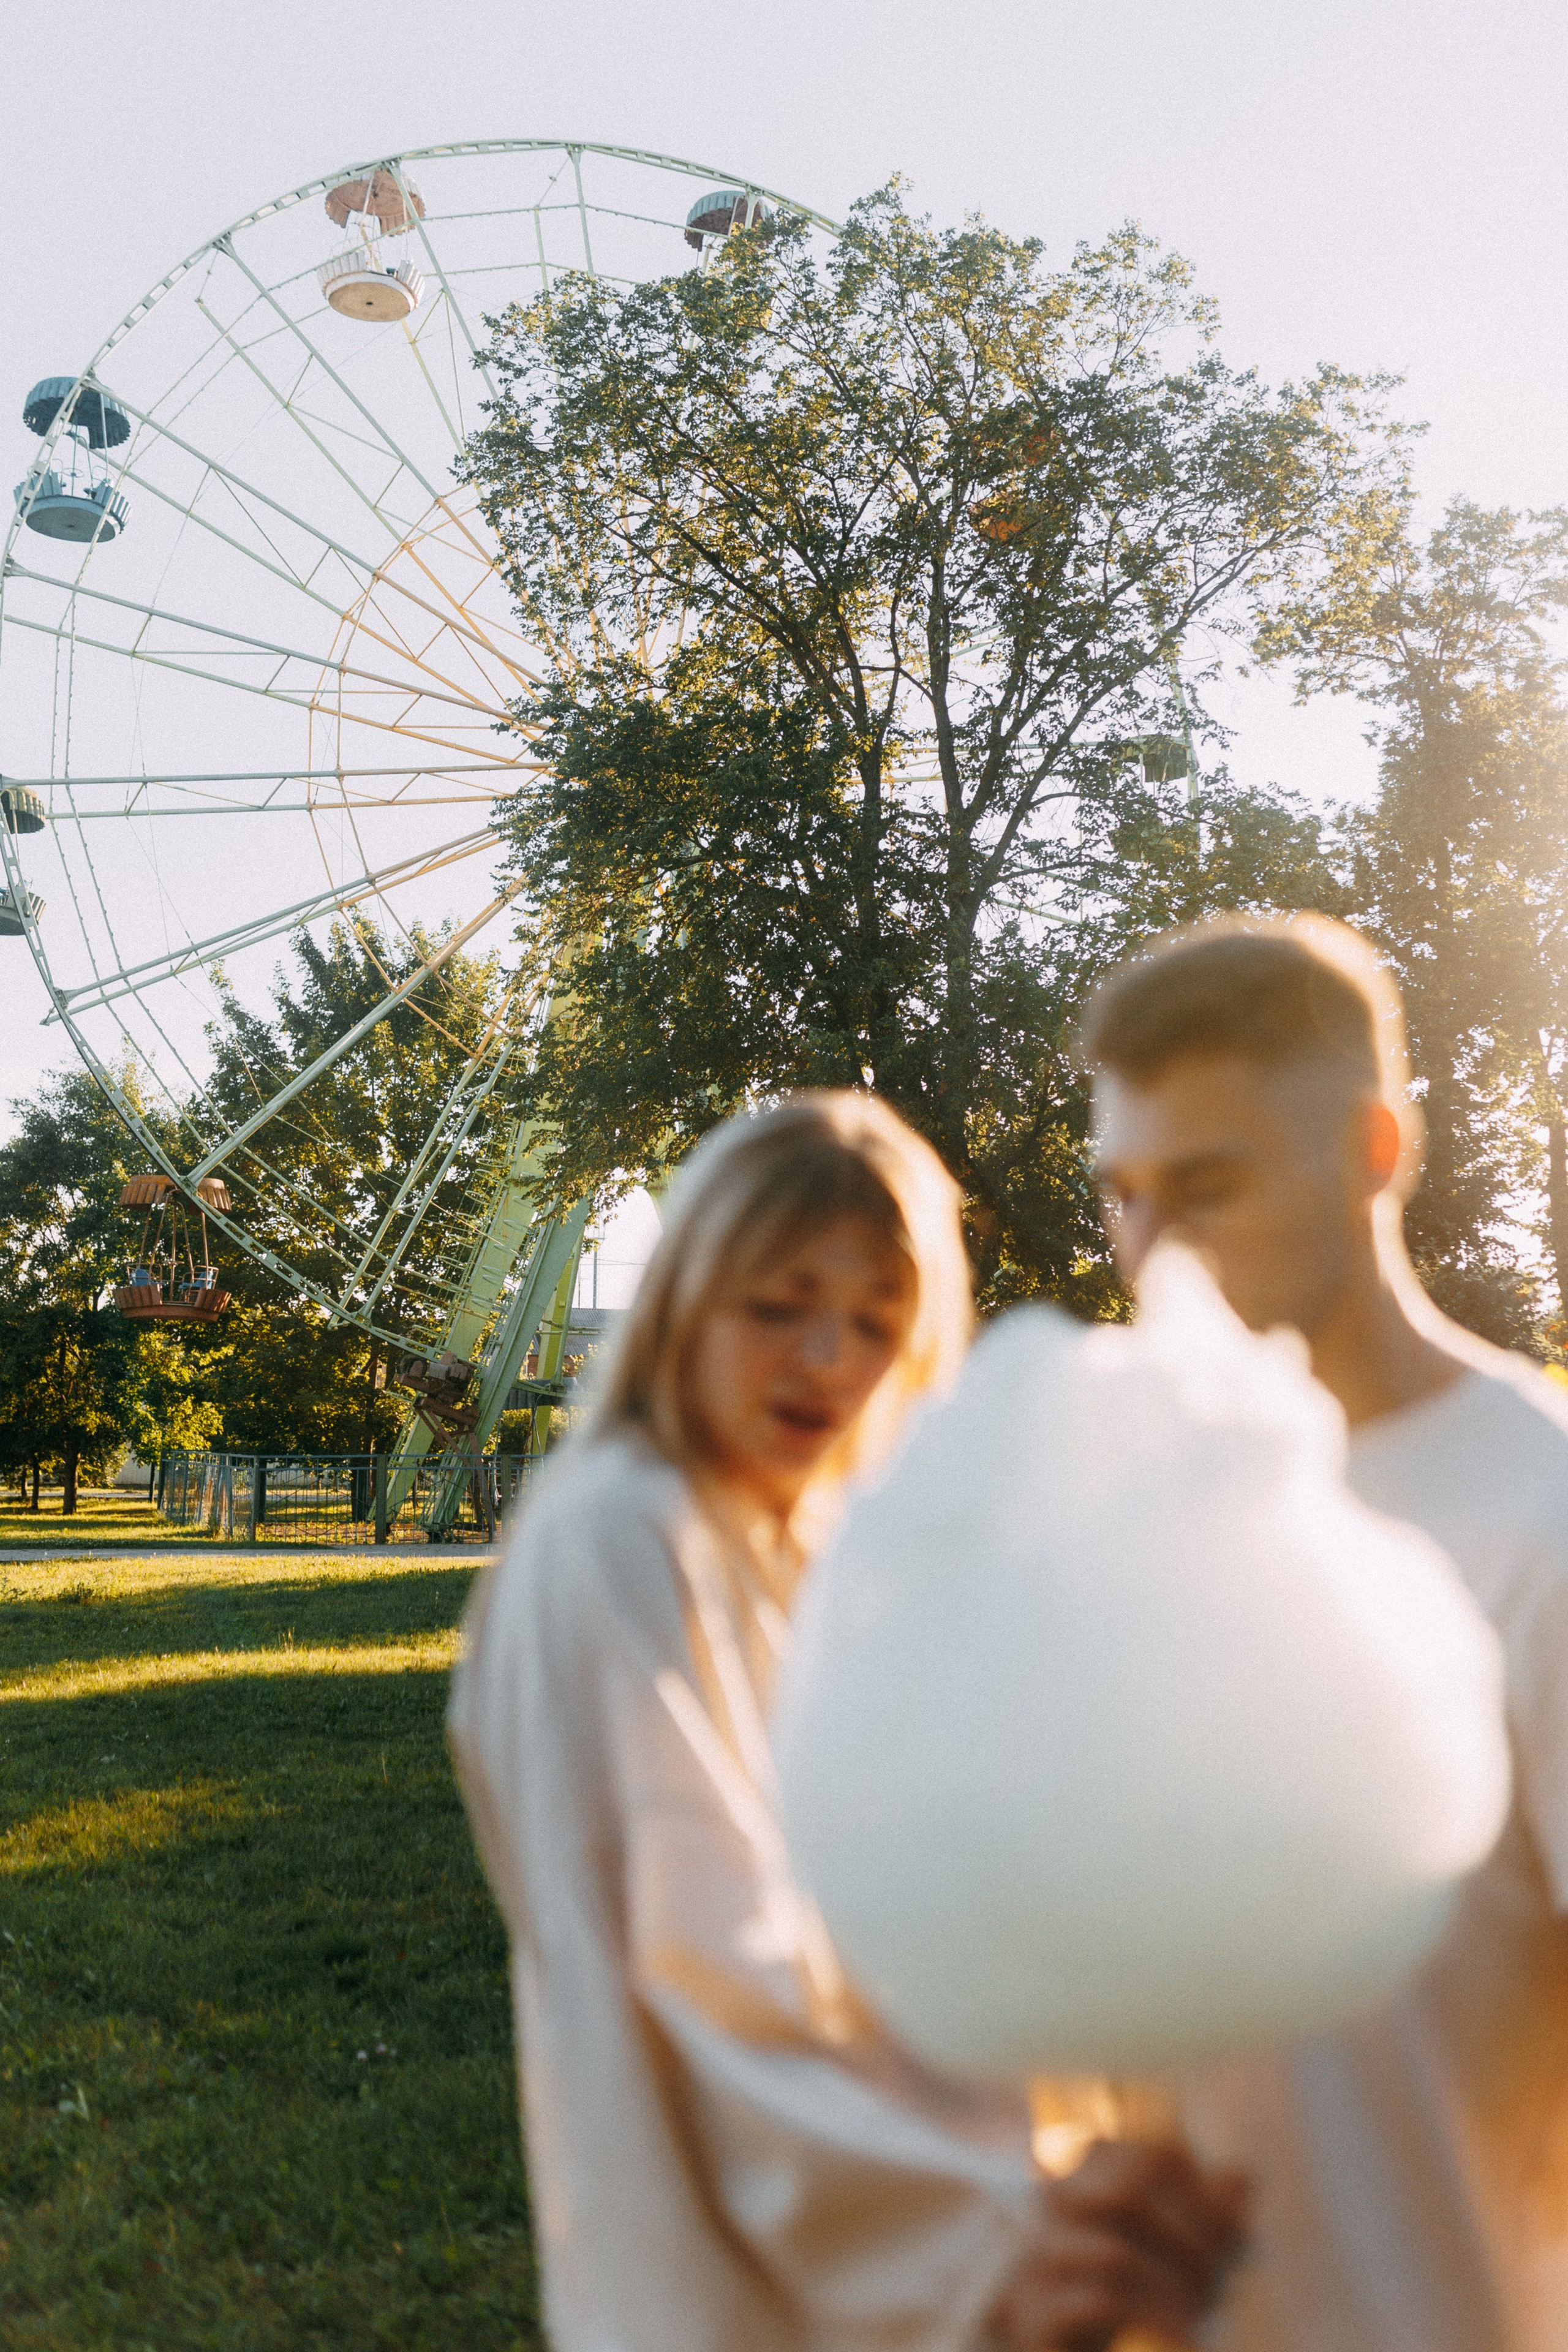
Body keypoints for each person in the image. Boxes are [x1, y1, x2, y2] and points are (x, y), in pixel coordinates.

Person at [448, 1091, 1244, 2352]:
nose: (827, 1360)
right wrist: (993, 2243)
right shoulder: (616, 1537)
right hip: (765, 2270)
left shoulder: (810, 1543)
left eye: (875, 1322)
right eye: (778, 1306)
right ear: (684, 1296)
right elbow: (708, 1973)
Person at [1081, 914, 1568, 2352]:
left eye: (1205, 1187)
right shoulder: (1116, 1517)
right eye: (1120, 1194)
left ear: (1371, 1148)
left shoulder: (1535, 1520)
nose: (1148, 1253)